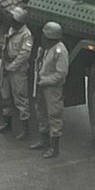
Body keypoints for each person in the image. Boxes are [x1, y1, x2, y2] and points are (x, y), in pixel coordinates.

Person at [29, 22, 68, 159]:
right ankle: (44, 141)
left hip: (52, 88)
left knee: (54, 116)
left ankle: (54, 147)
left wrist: (46, 81)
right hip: (41, 85)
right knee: (41, 113)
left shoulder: (60, 51)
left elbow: (61, 73)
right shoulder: (46, 49)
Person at [0, 5, 33, 139]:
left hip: (18, 71)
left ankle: (25, 130)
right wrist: (5, 65)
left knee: (21, 98)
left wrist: (12, 66)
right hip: (6, 66)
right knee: (5, 95)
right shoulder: (11, 30)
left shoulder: (26, 35)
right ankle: (7, 124)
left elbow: (24, 55)